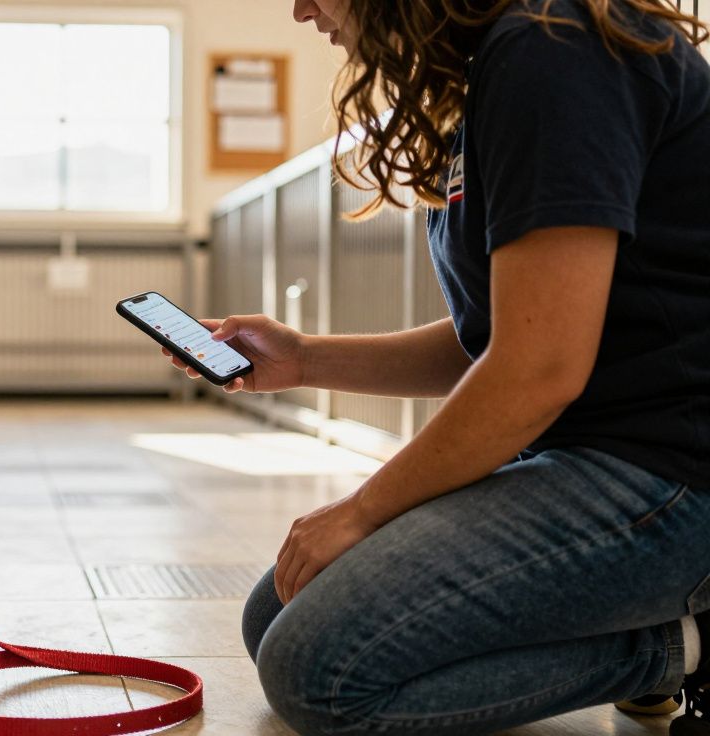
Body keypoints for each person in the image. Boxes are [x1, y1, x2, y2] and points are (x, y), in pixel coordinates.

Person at [164, 0, 710, 734]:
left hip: (676, 477)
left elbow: (538, 367)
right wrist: (303, 359)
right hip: (601, 458)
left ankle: (678, 646)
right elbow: (494, 339)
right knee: (278, 615)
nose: (300, 10)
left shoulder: (553, 49)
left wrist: (361, 511)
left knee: (317, 672)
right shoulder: (491, 68)